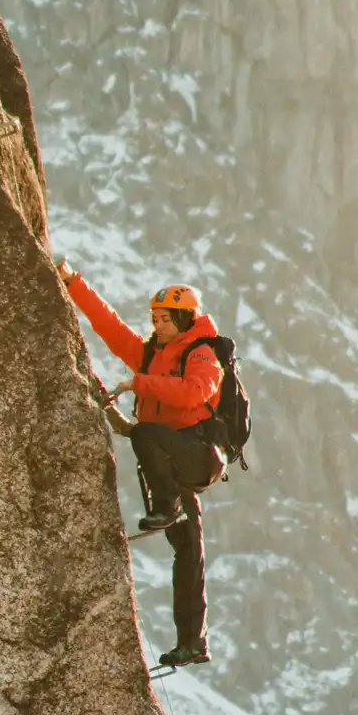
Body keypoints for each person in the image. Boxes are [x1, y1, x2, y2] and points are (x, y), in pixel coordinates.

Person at [56, 257, 226, 668]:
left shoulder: (203, 354)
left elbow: (193, 394)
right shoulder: (152, 355)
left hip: (196, 456)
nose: (158, 324)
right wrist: (72, 282)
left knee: (145, 432)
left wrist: (141, 383)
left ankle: (164, 506)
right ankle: (192, 643)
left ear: (186, 319)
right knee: (187, 551)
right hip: (174, 459)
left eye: (166, 319)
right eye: (155, 318)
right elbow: (109, 327)